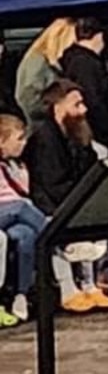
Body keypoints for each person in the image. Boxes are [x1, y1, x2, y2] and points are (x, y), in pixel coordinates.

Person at [24, 80, 108, 312]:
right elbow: (51, 183)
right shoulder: (45, 139)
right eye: (77, 104)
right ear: (58, 107)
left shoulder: (78, 133)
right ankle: (68, 289)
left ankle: (89, 285)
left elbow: (92, 168)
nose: (84, 109)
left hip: (76, 198)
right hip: (51, 203)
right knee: (61, 228)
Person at [59, 18, 108, 155]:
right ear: (99, 36)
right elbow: (93, 99)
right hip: (98, 132)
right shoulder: (86, 63)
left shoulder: (77, 60)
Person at [0, 114, 42, 324]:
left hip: (10, 218)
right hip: (6, 212)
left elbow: (21, 192)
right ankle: (61, 241)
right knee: (20, 208)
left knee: (25, 234)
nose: (24, 144)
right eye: (19, 138)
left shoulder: (13, 166)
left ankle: (21, 295)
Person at [15, 18, 75, 123]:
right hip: (41, 125)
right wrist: (55, 109)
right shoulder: (37, 61)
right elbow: (28, 98)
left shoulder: (44, 61)